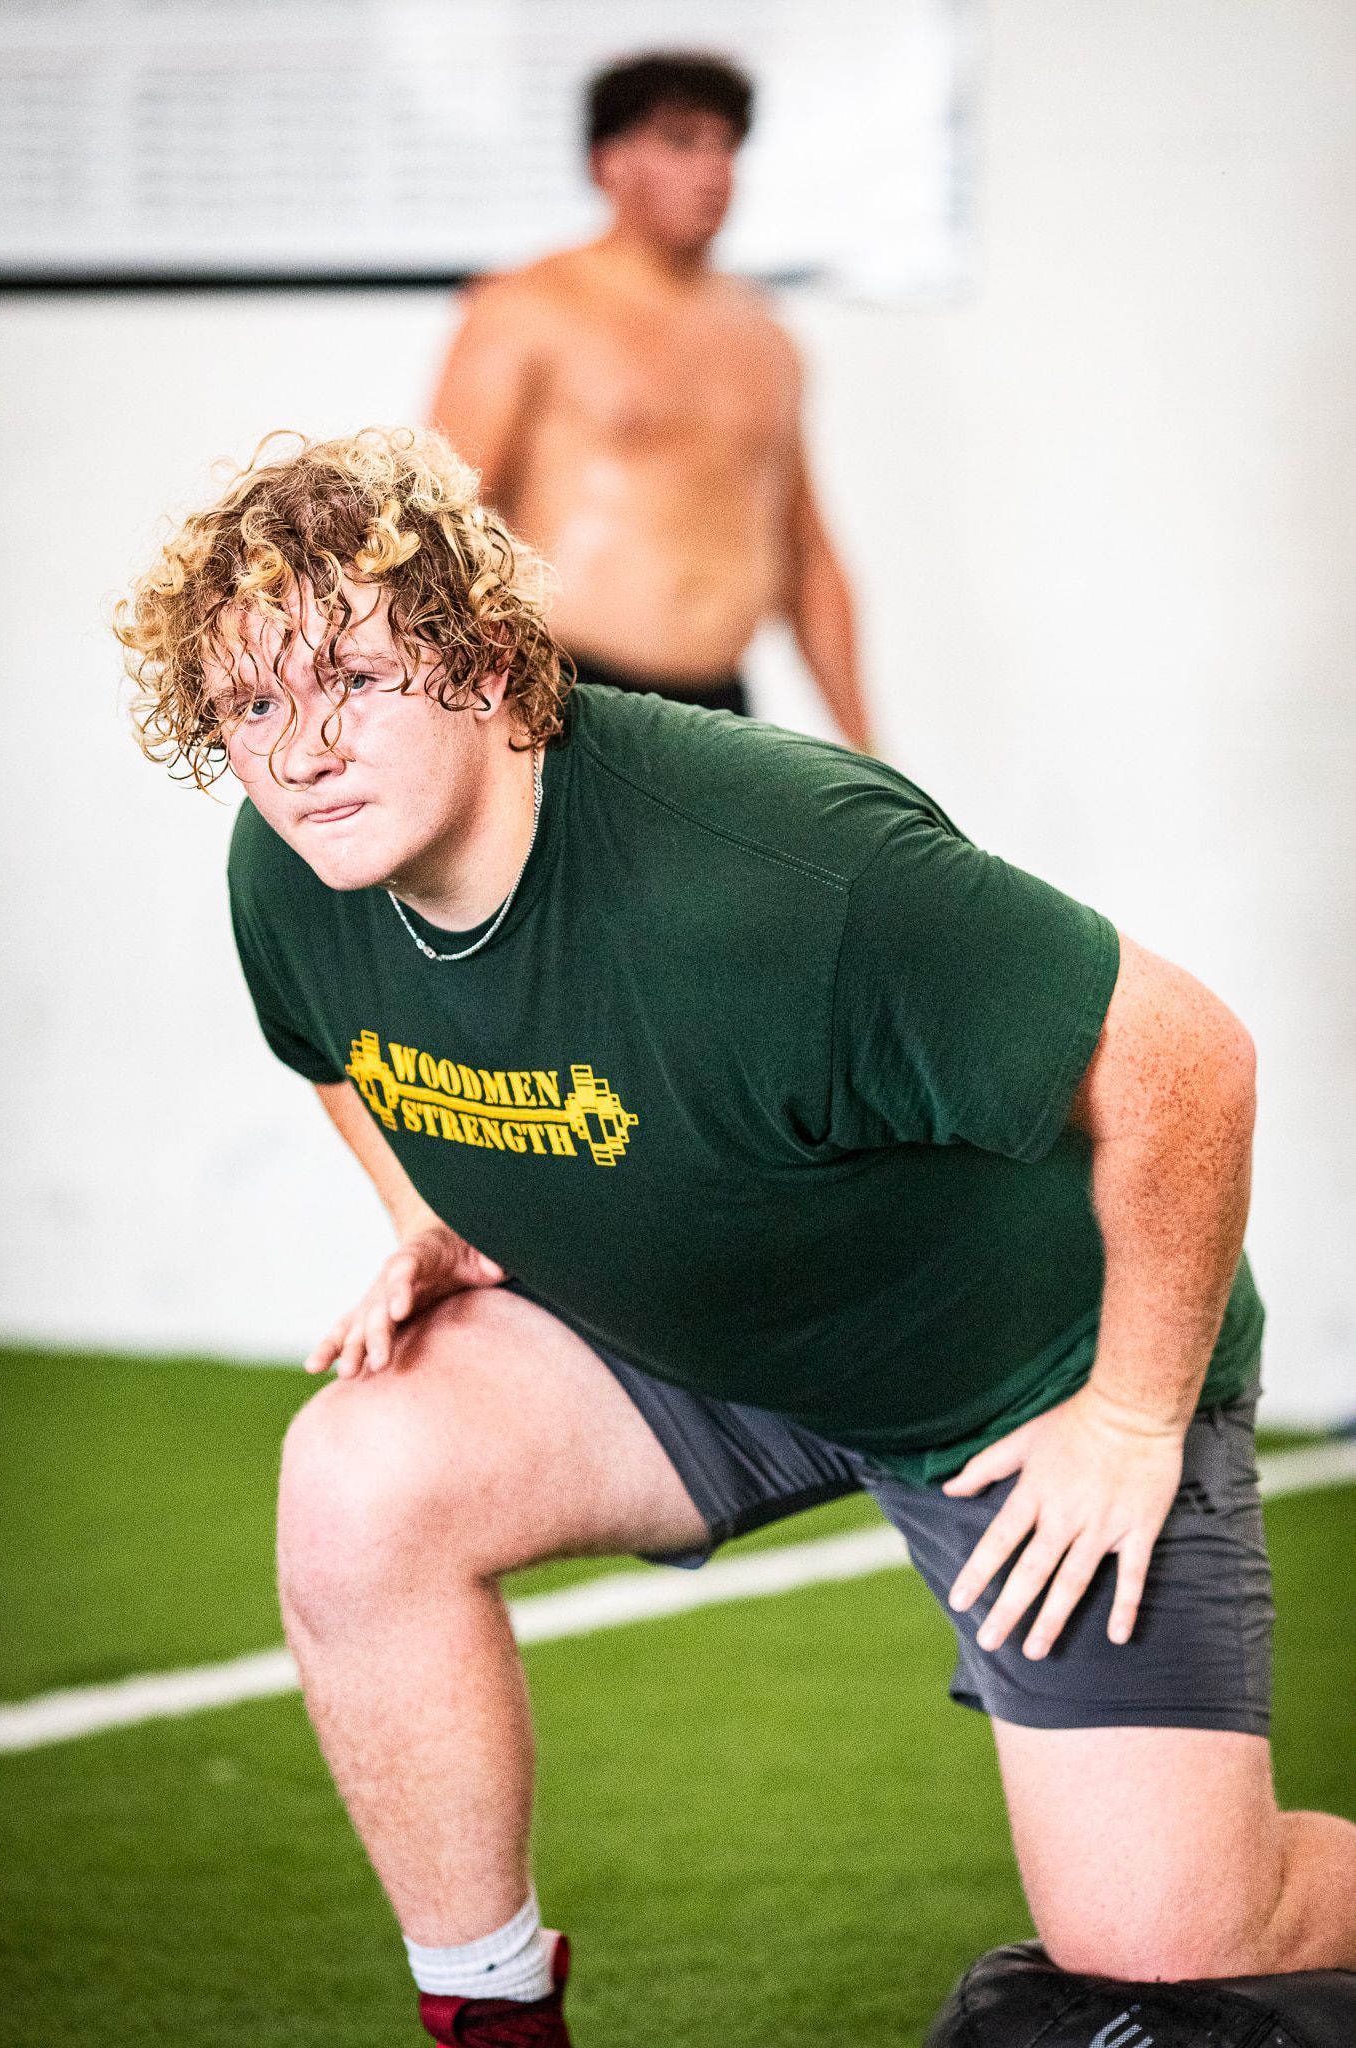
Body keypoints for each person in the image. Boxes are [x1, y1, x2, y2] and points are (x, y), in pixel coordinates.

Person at [116, 428, 1356, 2048]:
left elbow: (1192, 1063)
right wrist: (428, 1207)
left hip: (1026, 1368)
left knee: (1170, 1933)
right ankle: (493, 2016)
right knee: (361, 1478)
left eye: (349, 676)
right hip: (707, 1340)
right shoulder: (296, 872)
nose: (300, 753)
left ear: (487, 660)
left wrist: (1130, 1412)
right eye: (253, 706)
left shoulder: (781, 871)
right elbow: (330, 1052)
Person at [430, 51, 872, 749]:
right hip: (564, 691)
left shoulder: (766, 338)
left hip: (720, 705)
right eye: (679, 141)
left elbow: (807, 557)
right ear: (607, 163)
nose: (712, 171)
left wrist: (866, 747)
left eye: (726, 145)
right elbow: (441, 524)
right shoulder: (526, 309)